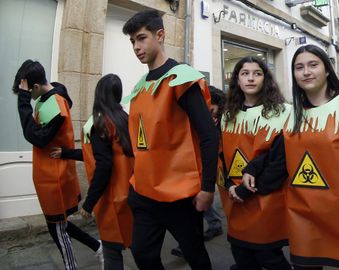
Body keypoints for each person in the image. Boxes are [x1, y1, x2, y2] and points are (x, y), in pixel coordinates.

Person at [242, 45, 339, 270]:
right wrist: (252, 167)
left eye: (313, 65)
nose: (306, 72)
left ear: (327, 70)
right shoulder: (290, 116)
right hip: (303, 217)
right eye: (299, 67)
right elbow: (278, 154)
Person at [122, 10, 219, 270]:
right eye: (132, 41)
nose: (136, 47)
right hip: (143, 192)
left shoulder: (181, 78)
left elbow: (209, 135)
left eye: (141, 38)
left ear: (160, 35)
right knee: (142, 255)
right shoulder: (140, 86)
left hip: (180, 195)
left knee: (195, 255)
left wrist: (207, 188)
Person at [12, 60, 103, 270]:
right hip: (48, 174)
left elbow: (36, 137)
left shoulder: (56, 103)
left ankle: (73, 265)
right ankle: (98, 247)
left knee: (57, 229)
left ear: (35, 87)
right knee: (58, 226)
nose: (28, 96)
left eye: (28, 91)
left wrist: (23, 102)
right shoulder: (49, 96)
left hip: (55, 176)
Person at [51, 74, 134, 269]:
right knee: (136, 246)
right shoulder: (123, 118)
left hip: (112, 197)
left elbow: (103, 165)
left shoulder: (100, 123)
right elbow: (100, 155)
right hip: (129, 193)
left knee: (112, 252)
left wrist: (89, 204)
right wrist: (67, 153)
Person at [219, 56, 291, 270]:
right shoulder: (228, 115)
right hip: (235, 200)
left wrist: (246, 190)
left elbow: (280, 162)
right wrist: (230, 187)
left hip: (266, 199)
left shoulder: (282, 113)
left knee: (269, 257)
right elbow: (223, 155)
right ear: (237, 80)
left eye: (257, 73)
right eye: (244, 73)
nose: (251, 78)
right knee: (241, 256)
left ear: (265, 79)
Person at [170, 85, 225, 258]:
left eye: (213, 110)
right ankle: (208, 228)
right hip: (202, 161)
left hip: (216, 162)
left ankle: (192, 242)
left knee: (200, 196)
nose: (211, 114)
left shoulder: (223, 119)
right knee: (198, 197)